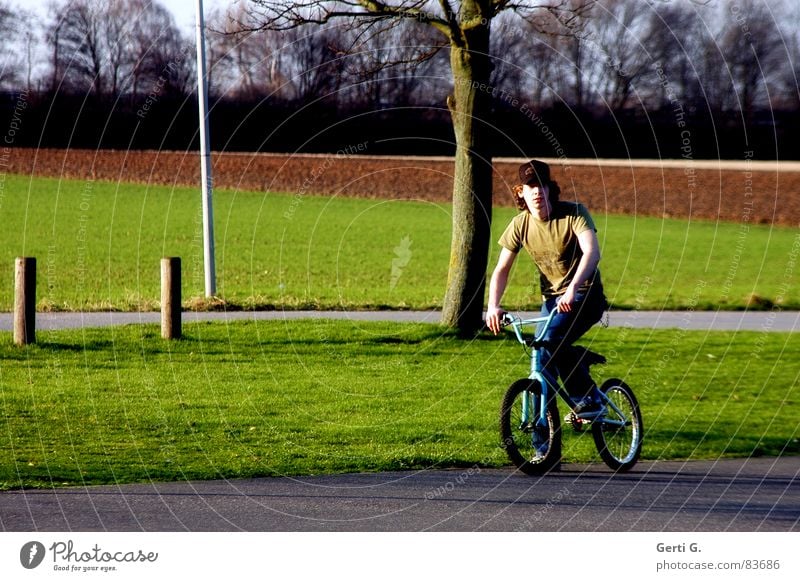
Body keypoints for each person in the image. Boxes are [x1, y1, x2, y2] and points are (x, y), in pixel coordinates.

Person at [485, 159, 608, 414]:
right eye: (530, 186)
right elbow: (501, 269)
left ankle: (588, 398)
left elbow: (592, 253)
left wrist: (573, 287)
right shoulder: (520, 224)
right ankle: (545, 450)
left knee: (550, 342)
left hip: (585, 296)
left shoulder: (573, 213)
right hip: (552, 300)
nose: (537, 192)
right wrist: (493, 306)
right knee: (541, 361)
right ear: (521, 192)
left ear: (550, 188)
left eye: (541, 185)